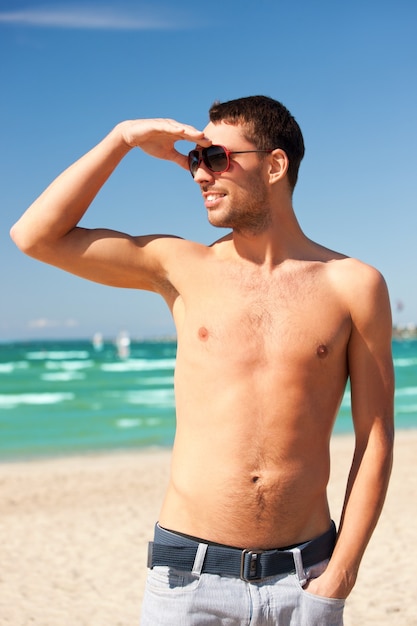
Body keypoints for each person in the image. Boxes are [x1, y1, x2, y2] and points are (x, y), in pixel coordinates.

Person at [10, 95, 394, 625]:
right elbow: (34, 237)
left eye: (215, 158)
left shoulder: (354, 284)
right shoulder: (182, 266)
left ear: (275, 165)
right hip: (189, 582)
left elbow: (375, 436)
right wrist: (121, 138)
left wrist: (340, 576)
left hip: (306, 579)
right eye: (195, 161)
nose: (199, 175)